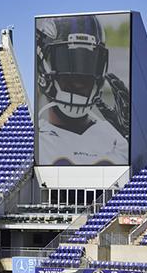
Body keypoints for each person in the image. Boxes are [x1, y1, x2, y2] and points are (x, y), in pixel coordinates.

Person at [36, 15, 129, 166]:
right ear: (43, 69)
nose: (79, 81)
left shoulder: (118, 140)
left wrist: (134, 140)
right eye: (65, 62)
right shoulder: (35, 141)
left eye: (88, 63)